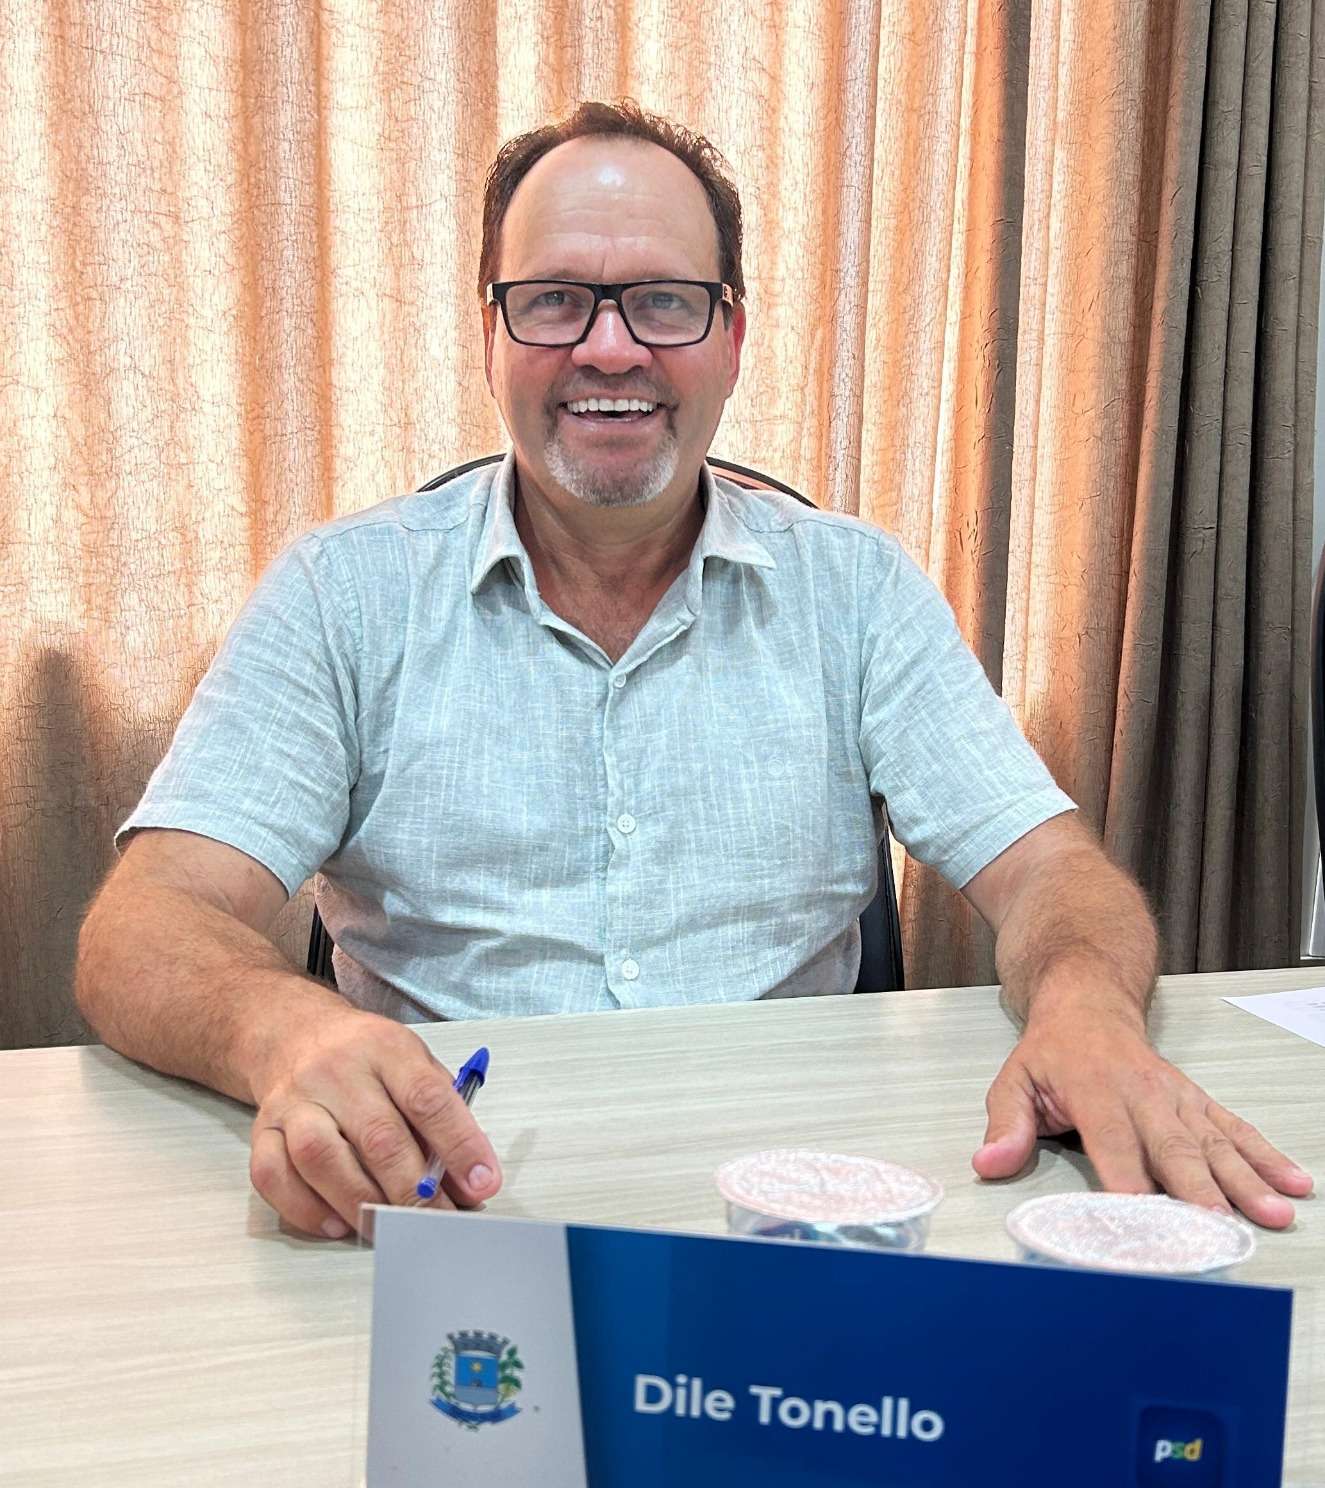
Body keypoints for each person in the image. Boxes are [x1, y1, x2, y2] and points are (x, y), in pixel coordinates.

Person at [75, 100, 1311, 1240]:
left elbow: (1050, 870)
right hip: (446, 1200)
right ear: (490, 333)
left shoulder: (854, 590)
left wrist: (1085, 1005)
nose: (609, 348)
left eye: (663, 302)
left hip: (793, 1208)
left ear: (731, 334)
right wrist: (284, 1029)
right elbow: (144, 923)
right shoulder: (342, 594)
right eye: (554, 300)